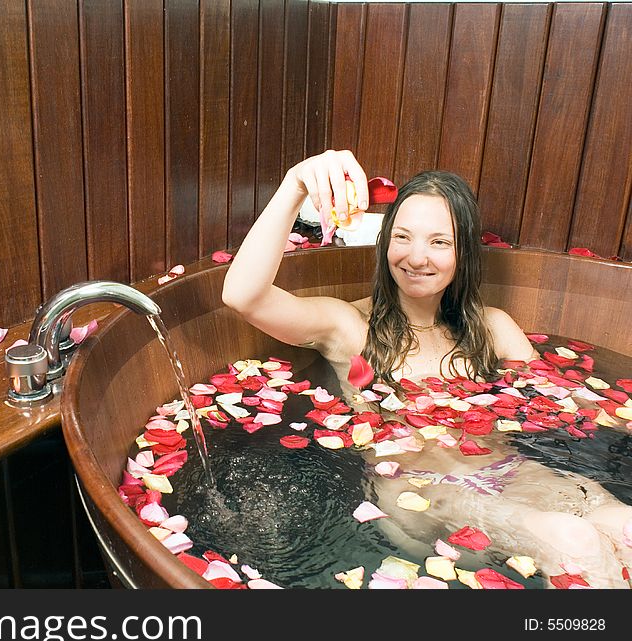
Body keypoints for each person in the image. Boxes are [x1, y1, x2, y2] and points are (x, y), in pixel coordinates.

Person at [222, 149, 632, 588]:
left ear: (463, 253)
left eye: (439, 241)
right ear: (385, 243)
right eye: (402, 237)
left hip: (512, 475)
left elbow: (575, 407)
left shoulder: (492, 329)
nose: (416, 257)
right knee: (573, 539)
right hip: (420, 493)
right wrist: (294, 185)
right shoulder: (349, 328)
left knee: (624, 524)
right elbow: (245, 296)